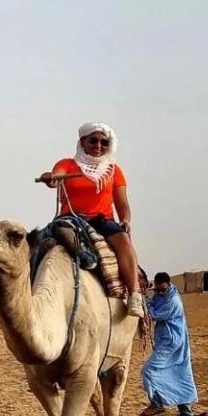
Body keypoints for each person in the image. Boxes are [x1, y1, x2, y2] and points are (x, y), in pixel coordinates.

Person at [40, 122, 144, 318]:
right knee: (39, 244)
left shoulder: (114, 170)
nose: (98, 146)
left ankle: (135, 295)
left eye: (104, 143)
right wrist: (52, 178)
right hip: (71, 218)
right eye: (93, 141)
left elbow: (122, 204)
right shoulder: (68, 165)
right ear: (82, 142)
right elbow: (57, 176)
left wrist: (125, 221)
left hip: (102, 219)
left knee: (124, 243)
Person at [140, 272, 199, 416]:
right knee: (176, 371)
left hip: (172, 341)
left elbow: (155, 314)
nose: (159, 292)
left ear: (168, 284)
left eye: (162, 290)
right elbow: (153, 304)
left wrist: (144, 304)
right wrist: (148, 300)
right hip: (165, 339)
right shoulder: (160, 295)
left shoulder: (173, 300)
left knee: (148, 370)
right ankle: (184, 409)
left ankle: (157, 403)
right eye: (157, 290)